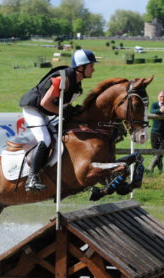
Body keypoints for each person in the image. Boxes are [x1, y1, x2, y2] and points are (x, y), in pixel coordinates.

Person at [19, 49, 97, 191]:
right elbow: (45, 103)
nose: (94, 69)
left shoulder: (77, 84)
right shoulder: (63, 79)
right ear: (81, 67)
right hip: (33, 109)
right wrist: (66, 113)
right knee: (45, 139)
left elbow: (63, 105)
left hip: (46, 111)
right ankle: (32, 178)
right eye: (91, 66)